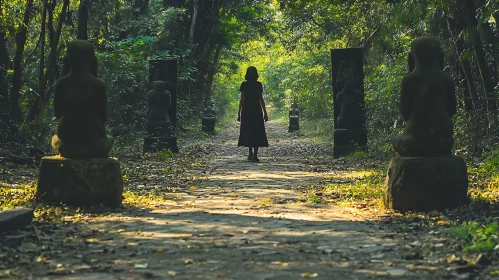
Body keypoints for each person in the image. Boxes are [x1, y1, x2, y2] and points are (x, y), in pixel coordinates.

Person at [237, 66, 269, 162]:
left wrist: (239, 113)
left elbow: (242, 99)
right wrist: (265, 112)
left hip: (247, 109)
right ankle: (255, 154)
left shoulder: (244, 84)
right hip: (256, 108)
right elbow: (261, 99)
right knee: (257, 130)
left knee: (248, 130)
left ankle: (250, 153)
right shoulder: (258, 85)